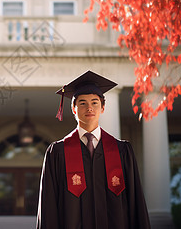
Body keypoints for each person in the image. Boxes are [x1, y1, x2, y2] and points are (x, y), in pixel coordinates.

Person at [36, 70, 151, 229]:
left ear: (103, 108)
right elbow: (48, 205)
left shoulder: (122, 150)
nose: (89, 108)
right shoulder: (57, 152)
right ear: (74, 109)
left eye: (95, 102)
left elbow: (135, 200)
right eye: (82, 103)